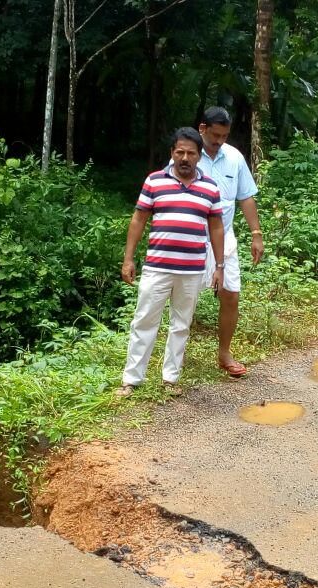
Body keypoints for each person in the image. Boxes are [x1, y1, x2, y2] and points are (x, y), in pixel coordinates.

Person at [114, 127, 226, 398]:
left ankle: (170, 379)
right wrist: (128, 259)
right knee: (143, 321)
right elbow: (138, 220)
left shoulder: (210, 188)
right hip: (156, 267)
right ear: (172, 153)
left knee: (181, 324)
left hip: (191, 270)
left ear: (200, 156)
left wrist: (219, 267)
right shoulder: (154, 181)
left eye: (191, 153)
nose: (185, 157)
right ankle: (131, 380)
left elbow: (217, 229)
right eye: (180, 152)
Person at [195, 106, 265, 377]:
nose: (219, 141)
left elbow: (245, 196)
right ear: (203, 129)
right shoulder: (188, 154)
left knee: (231, 295)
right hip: (193, 239)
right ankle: (175, 356)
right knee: (185, 298)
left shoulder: (234, 157)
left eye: (224, 135)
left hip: (225, 238)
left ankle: (224, 354)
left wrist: (256, 234)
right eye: (214, 135)